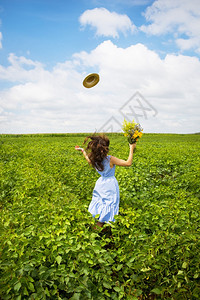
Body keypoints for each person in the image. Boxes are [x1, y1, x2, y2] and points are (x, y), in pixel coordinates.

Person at [75, 135, 136, 228]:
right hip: (110, 185)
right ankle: (102, 229)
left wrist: (82, 150)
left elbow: (87, 158)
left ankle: (95, 228)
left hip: (100, 184)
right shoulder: (109, 159)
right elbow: (128, 163)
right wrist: (131, 148)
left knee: (100, 203)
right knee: (110, 204)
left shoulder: (94, 159)